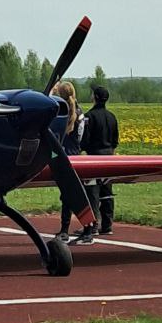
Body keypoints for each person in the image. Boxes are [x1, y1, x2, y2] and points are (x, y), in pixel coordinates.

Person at [82, 83, 120, 236]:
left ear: (95, 97)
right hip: (109, 157)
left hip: (94, 158)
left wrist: (83, 149)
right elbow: (115, 139)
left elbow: (85, 139)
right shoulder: (112, 117)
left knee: (92, 192)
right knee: (107, 192)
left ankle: (93, 225)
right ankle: (107, 225)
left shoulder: (89, 116)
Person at [51, 80, 85, 242]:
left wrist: (51, 91)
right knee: (77, 193)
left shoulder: (59, 113)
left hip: (63, 157)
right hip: (76, 155)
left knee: (67, 195)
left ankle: (65, 229)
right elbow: (81, 135)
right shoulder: (80, 113)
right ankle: (89, 227)